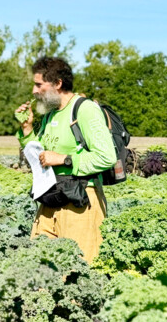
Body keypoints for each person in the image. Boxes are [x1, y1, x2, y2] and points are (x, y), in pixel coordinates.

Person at [15, 56, 116, 262]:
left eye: (38, 85)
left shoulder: (85, 109)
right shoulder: (51, 114)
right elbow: (42, 156)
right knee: (38, 268)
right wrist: (27, 129)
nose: (34, 91)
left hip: (80, 202)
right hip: (50, 198)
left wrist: (66, 160)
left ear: (58, 84)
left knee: (76, 271)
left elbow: (107, 157)